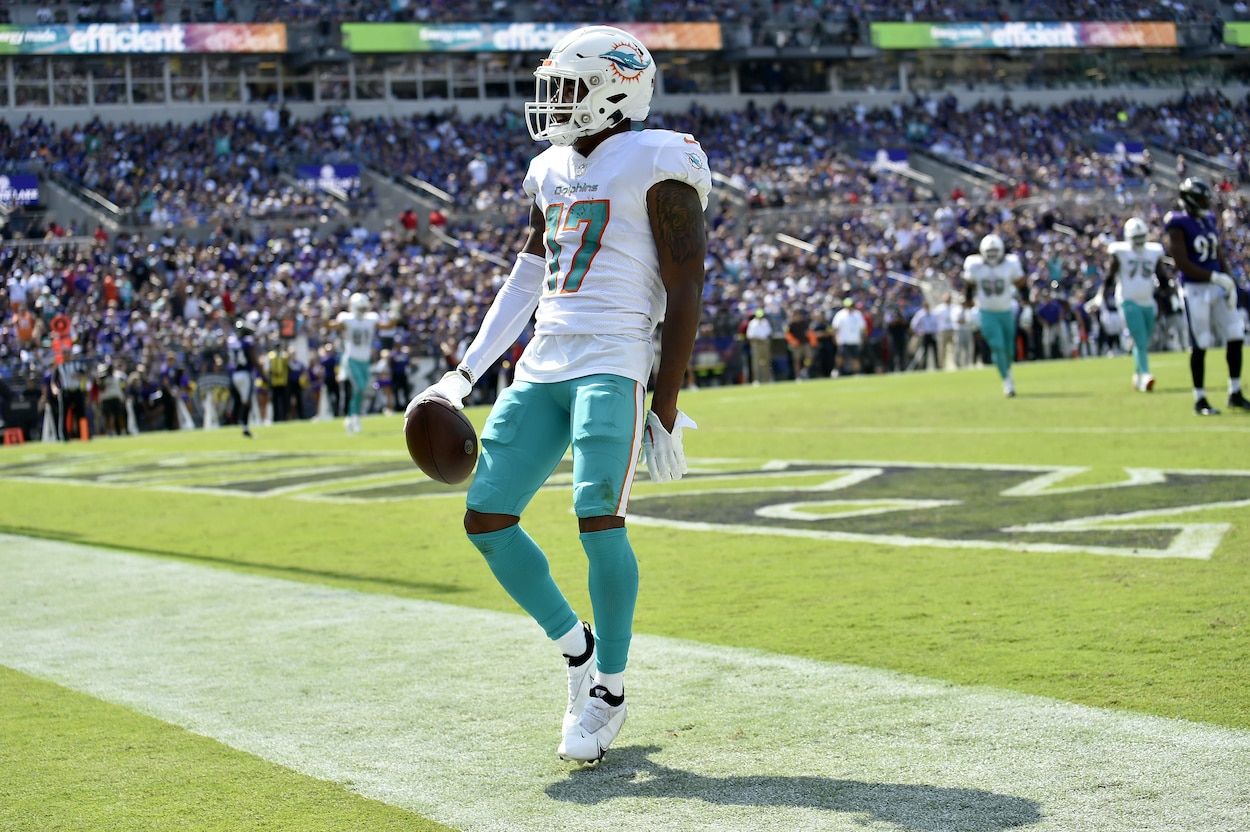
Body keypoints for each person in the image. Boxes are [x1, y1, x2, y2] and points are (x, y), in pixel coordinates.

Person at [404, 25, 710, 764]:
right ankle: (577, 650)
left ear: (615, 87)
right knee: (486, 517)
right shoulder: (548, 168)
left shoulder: (662, 158)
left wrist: (664, 403)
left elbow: (687, 285)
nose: (556, 102)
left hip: (614, 357)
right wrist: (463, 374)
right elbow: (528, 278)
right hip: (544, 361)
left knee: (596, 516)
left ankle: (609, 686)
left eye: (569, 86)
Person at [1164, 178, 1249, 415]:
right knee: (1200, 342)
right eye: (1202, 199)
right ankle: (1199, 399)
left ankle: (1235, 392)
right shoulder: (1177, 223)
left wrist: (1227, 278)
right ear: (1190, 199)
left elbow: (1217, 252)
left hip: (1216, 286)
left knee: (1235, 334)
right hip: (1195, 288)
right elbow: (1181, 262)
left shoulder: (1208, 220)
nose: (1206, 203)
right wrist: (1214, 277)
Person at [1101, 217, 1166, 392]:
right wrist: (1101, 295)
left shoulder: (1153, 251)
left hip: (1148, 301)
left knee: (1142, 342)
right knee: (1141, 339)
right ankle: (1146, 375)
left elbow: (1162, 276)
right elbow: (1109, 276)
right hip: (1128, 300)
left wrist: (1168, 289)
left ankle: (1137, 377)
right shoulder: (1120, 252)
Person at [963, 233, 1028, 397]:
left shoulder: (1011, 263)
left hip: (1006, 312)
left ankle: (1008, 373)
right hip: (987, 312)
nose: (992, 255)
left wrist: (1027, 307)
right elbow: (969, 289)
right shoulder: (974, 264)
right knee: (997, 345)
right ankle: (1007, 382)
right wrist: (968, 310)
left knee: (1008, 351)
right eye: (989, 251)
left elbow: (1022, 285)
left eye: (994, 251)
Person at [330, 292, 378, 433]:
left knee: (361, 391)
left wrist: (395, 314)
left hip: (365, 360)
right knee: (360, 388)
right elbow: (332, 326)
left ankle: (352, 417)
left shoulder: (371, 318)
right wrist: (326, 315)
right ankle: (353, 417)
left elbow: (387, 326)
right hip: (352, 359)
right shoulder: (347, 318)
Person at [227, 318, 259, 438]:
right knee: (246, 402)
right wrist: (263, 375)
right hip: (244, 374)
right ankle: (244, 427)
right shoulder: (246, 342)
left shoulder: (231, 341)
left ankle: (235, 422)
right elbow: (253, 359)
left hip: (234, 374)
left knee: (238, 401)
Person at [832, 298, 867, 376]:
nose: (850, 307)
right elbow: (835, 328)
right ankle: (836, 370)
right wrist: (835, 339)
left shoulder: (857, 314)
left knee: (856, 358)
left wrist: (863, 338)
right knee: (840, 357)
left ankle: (857, 372)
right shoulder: (840, 315)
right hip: (844, 340)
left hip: (855, 340)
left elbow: (863, 328)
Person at [745, 308, 773, 384]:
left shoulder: (765, 322)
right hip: (756, 344)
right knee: (756, 363)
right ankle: (756, 380)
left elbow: (768, 332)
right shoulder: (753, 323)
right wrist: (760, 339)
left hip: (765, 343)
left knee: (766, 361)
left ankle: (767, 379)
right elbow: (750, 336)